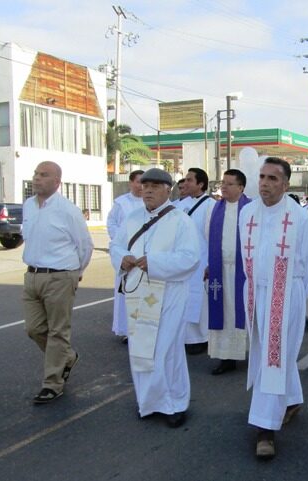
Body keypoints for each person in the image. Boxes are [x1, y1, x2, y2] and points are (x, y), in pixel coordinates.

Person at [238, 157, 308, 460]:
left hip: (287, 296)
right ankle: (291, 399)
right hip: (256, 293)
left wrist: (292, 293)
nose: (265, 183)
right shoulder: (247, 213)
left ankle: (265, 429)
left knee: (272, 359)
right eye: (262, 176)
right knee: (269, 353)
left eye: (273, 178)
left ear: (286, 184)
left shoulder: (301, 219)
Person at [110, 168, 200, 427]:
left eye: (154, 186)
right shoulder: (133, 218)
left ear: (167, 189)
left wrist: (155, 262)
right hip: (139, 293)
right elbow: (116, 245)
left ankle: (175, 403)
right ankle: (149, 403)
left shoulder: (181, 220)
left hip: (169, 292)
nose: (146, 190)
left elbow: (190, 258)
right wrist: (122, 258)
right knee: (142, 350)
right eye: (144, 185)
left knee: (165, 350)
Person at [22, 161, 94, 404]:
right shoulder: (28, 206)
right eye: (35, 173)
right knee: (33, 329)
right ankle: (67, 357)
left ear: (56, 182)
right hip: (32, 275)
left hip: (60, 276)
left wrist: (76, 271)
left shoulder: (68, 210)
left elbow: (85, 245)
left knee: (57, 331)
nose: (37, 178)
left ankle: (52, 383)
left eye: (43, 175)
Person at [206, 169, 251, 375]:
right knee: (224, 312)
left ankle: (251, 353)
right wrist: (210, 263)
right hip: (220, 270)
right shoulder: (216, 208)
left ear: (241, 187)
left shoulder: (251, 209)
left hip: (244, 272)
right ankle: (226, 356)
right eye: (223, 183)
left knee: (243, 312)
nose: (223, 187)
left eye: (229, 184)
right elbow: (209, 237)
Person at [175, 168, 216, 355]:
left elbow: (212, 237)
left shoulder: (210, 206)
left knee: (200, 301)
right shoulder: (180, 205)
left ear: (200, 184)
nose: (186, 183)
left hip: (202, 260)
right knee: (184, 298)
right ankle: (187, 337)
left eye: (190, 180)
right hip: (183, 260)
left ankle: (202, 338)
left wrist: (210, 263)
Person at [107, 170, 144, 342]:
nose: (141, 186)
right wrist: (122, 242)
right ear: (131, 183)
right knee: (125, 294)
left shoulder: (150, 202)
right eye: (138, 182)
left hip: (144, 256)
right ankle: (127, 330)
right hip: (126, 254)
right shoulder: (121, 203)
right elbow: (112, 223)